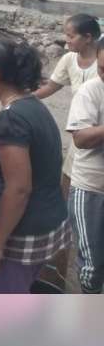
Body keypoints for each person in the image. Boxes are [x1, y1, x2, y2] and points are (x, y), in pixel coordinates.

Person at [0, 40, 72, 293]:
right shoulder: (33, 106)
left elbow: (19, 188)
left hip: (20, 234)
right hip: (46, 223)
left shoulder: (11, 119)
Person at [34, 13, 101, 285]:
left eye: (71, 36)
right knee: (67, 207)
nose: (66, 40)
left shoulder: (101, 60)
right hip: (79, 139)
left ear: (88, 38)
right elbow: (52, 85)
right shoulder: (69, 60)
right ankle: (62, 266)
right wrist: (23, 97)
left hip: (91, 141)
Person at [65, 38, 104, 294]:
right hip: (92, 189)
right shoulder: (91, 90)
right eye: (102, 69)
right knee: (93, 265)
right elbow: (80, 138)